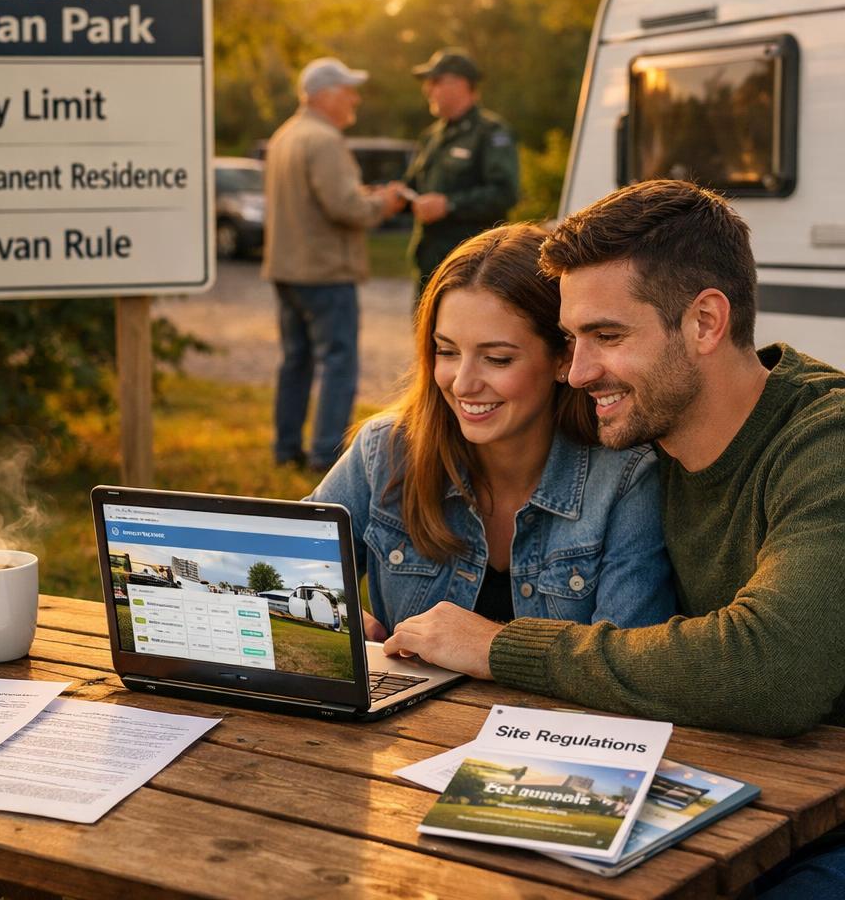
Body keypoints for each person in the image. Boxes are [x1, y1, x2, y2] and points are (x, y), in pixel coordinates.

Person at [383, 181, 845, 744]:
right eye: (573, 338)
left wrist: (496, 646)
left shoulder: (826, 442)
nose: (578, 373)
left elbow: (775, 671)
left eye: (607, 335)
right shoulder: (651, 442)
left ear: (705, 322)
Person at [309, 223, 676, 637]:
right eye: (447, 351)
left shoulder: (625, 479)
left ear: (563, 359)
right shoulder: (386, 449)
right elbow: (284, 563)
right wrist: (346, 622)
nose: (463, 383)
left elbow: (626, 656)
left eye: (497, 359)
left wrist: (486, 645)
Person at [262, 57, 404, 471]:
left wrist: (362, 196)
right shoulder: (325, 140)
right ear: (324, 95)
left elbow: (315, 199)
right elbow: (345, 207)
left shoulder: (285, 134)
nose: (354, 99)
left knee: (296, 361)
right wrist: (384, 203)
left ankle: (286, 448)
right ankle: (326, 455)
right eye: (348, 91)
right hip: (324, 271)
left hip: (287, 268)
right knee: (339, 363)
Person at [404, 48, 519, 296]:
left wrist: (449, 205)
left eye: (435, 81)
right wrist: (396, 194)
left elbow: (505, 193)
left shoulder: (490, 132)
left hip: (471, 269)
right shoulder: (432, 136)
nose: (427, 89)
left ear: (460, 85)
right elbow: (414, 187)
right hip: (429, 264)